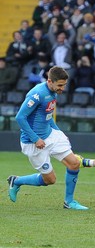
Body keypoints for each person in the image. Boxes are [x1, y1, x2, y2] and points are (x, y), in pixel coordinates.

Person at [7, 66, 88, 210]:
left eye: (64, 85)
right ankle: (17, 181)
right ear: (50, 81)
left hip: (50, 134)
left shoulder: (53, 92)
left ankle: (69, 202)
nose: (62, 88)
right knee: (50, 180)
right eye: (60, 85)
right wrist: (35, 138)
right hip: (33, 142)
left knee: (74, 163)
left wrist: (59, 133)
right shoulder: (37, 94)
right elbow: (20, 117)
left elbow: (48, 116)